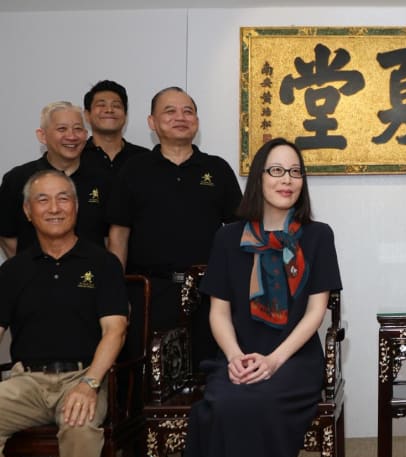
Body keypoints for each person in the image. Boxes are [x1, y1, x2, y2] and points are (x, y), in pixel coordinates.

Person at [174, 138, 341, 457]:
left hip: (295, 360)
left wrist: (273, 360)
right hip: (237, 359)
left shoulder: (317, 235)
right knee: (228, 408)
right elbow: (218, 312)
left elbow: (316, 312)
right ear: (258, 178)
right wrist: (235, 358)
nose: (286, 181)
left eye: (295, 172)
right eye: (275, 171)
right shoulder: (229, 237)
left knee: (252, 408)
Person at [0, 170, 128, 457]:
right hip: (26, 381)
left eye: (62, 199)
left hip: (82, 376)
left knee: (79, 425)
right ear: (27, 210)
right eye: (43, 200)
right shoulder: (13, 271)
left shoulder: (102, 263)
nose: (54, 208)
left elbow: (115, 329)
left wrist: (91, 383)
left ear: (75, 206)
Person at [106, 86, 242, 365]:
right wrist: (117, 294)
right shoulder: (133, 170)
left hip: (208, 293)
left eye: (188, 111)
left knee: (206, 370)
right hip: (148, 292)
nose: (180, 117)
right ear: (152, 122)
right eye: (170, 111)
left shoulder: (217, 169)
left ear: (197, 121)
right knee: (149, 376)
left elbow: (240, 233)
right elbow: (118, 236)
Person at [0, 102, 109, 258]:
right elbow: (6, 235)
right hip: (34, 279)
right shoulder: (17, 179)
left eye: (78, 129)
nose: (71, 136)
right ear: (42, 135)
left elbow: (109, 236)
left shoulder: (104, 180)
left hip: (89, 278)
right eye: (61, 129)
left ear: (86, 135)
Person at [81, 79, 148, 178]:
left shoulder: (144, 158)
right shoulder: (76, 156)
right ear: (87, 115)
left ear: (125, 115)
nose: (109, 110)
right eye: (101, 105)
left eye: (116, 105)